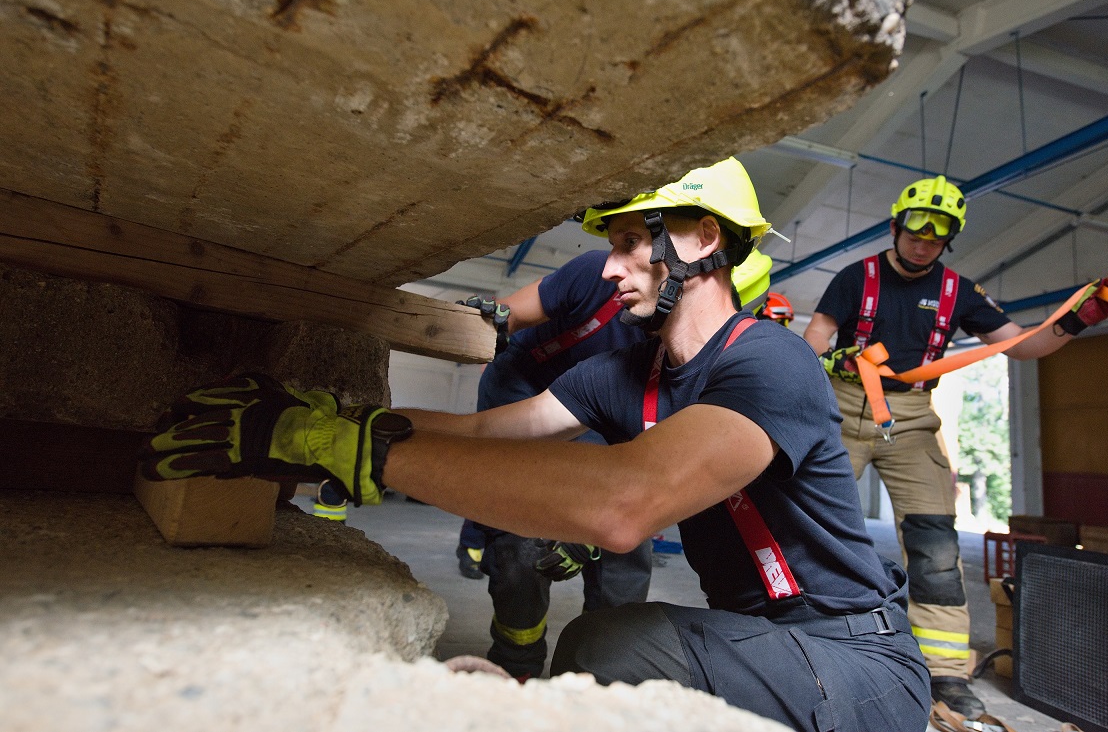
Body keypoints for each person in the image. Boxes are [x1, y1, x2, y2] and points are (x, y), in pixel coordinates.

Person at [142, 157, 932, 732]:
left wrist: (366, 458)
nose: (612, 269)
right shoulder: (628, 372)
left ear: (699, 236)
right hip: (763, 642)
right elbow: (489, 431)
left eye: (629, 244)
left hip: (858, 663)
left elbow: (627, 504)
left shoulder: (771, 359)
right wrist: (338, 421)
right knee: (603, 647)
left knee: (618, 642)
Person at [801, 175, 1108, 720]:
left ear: (949, 239)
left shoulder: (959, 293)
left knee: (936, 546)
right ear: (895, 226)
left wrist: (1082, 316)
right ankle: (794, 632)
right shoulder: (857, 277)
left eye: (939, 232)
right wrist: (817, 369)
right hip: (841, 405)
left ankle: (946, 673)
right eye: (916, 228)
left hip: (911, 417)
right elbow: (815, 338)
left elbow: (1026, 347)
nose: (924, 240)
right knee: (804, 517)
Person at [454, 245, 773, 680]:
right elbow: (511, 316)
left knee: (625, 552)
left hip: (611, 430)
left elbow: (664, 475)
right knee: (520, 542)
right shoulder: (599, 279)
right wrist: (484, 323)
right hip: (528, 399)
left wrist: (595, 532)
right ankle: (516, 664)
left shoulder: (708, 365)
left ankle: (601, 679)